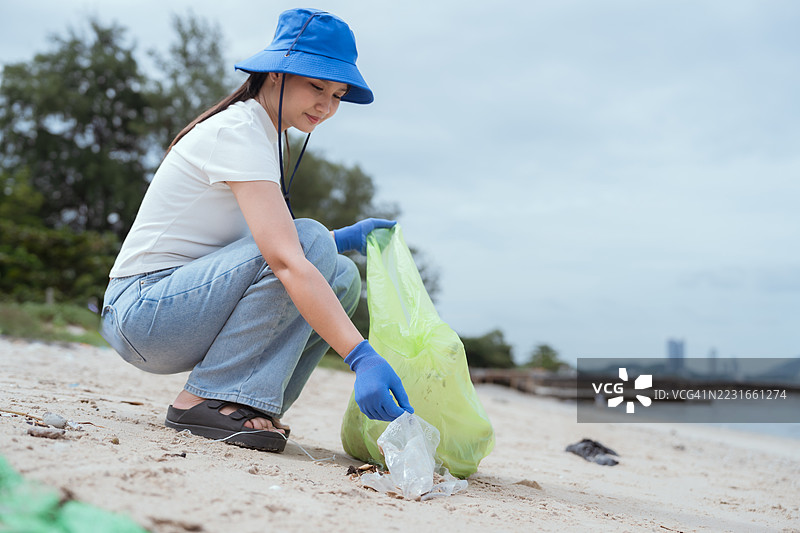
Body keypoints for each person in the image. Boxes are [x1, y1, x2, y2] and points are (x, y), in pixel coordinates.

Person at [99, 8, 413, 453]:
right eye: (317, 86)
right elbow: (284, 257)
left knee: (340, 276)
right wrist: (361, 357)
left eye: (339, 94)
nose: (327, 105)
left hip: (178, 306)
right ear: (274, 75)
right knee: (305, 245)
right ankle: (204, 401)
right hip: (143, 310)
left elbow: (249, 244)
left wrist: (339, 240)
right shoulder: (240, 129)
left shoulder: (267, 134)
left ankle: (244, 403)